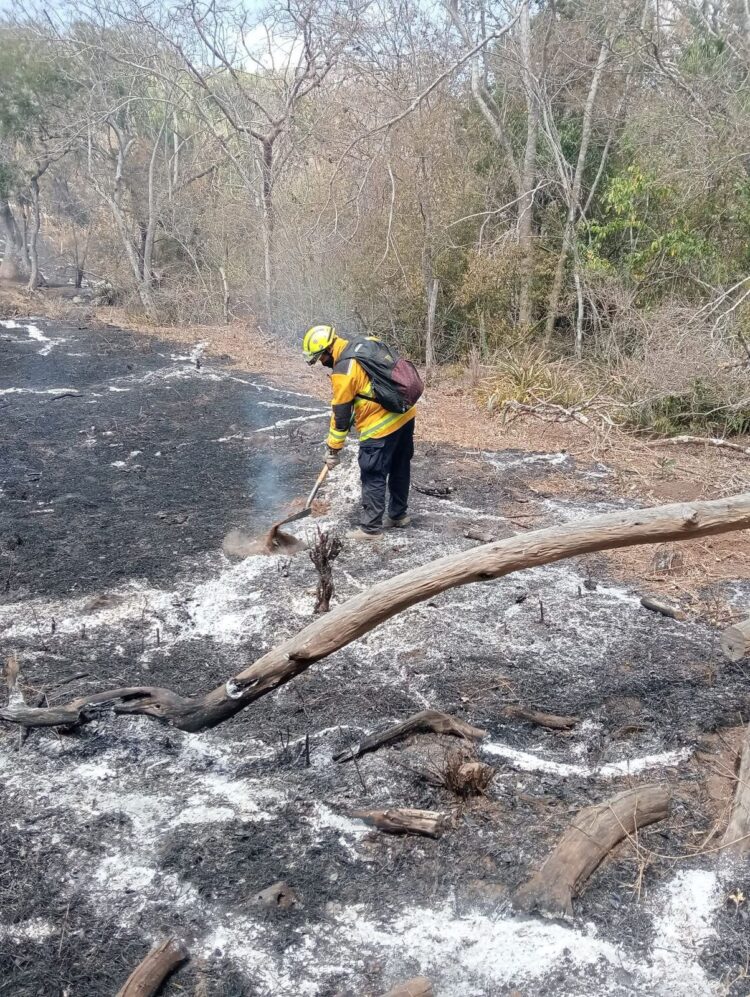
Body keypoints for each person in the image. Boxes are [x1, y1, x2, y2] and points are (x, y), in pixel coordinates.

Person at [302, 322, 416, 540]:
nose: (322, 363)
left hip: (380, 426)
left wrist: (332, 449)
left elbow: (341, 416)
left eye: (321, 358)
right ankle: (397, 515)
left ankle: (371, 529)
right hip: (405, 413)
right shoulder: (365, 342)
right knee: (400, 466)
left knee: (373, 472)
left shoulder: (343, 370)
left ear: (327, 350)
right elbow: (370, 385)